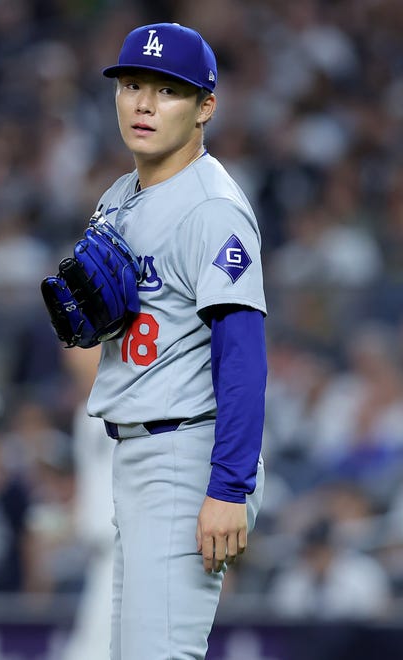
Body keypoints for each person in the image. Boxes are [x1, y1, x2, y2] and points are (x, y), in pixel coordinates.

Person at [86, 22, 268, 660]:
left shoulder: (211, 207)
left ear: (205, 108)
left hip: (186, 455)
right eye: (133, 84)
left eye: (166, 91)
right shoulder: (120, 196)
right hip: (138, 455)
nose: (142, 103)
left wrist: (228, 487)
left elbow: (243, 354)